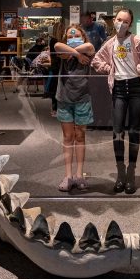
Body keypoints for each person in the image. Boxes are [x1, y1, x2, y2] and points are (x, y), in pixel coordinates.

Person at [92, 9, 140, 194]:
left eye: (125, 21)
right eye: (119, 19)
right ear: (114, 20)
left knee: (134, 130)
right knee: (117, 131)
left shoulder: (137, 41)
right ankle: (120, 173)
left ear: (130, 24)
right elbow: (96, 61)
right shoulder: (110, 43)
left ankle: (131, 172)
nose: (121, 24)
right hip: (118, 88)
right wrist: (109, 68)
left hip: (136, 89)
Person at [54, 24, 95, 192]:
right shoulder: (64, 52)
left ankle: (79, 174)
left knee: (80, 136)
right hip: (64, 98)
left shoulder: (87, 49)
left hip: (82, 99)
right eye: (69, 37)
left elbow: (90, 47)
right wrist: (77, 54)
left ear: (83, 36)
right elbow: (57, 46)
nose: (73, 38)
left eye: (76, 35)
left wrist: (74, 51)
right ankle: (68, 175)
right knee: (67, 137)